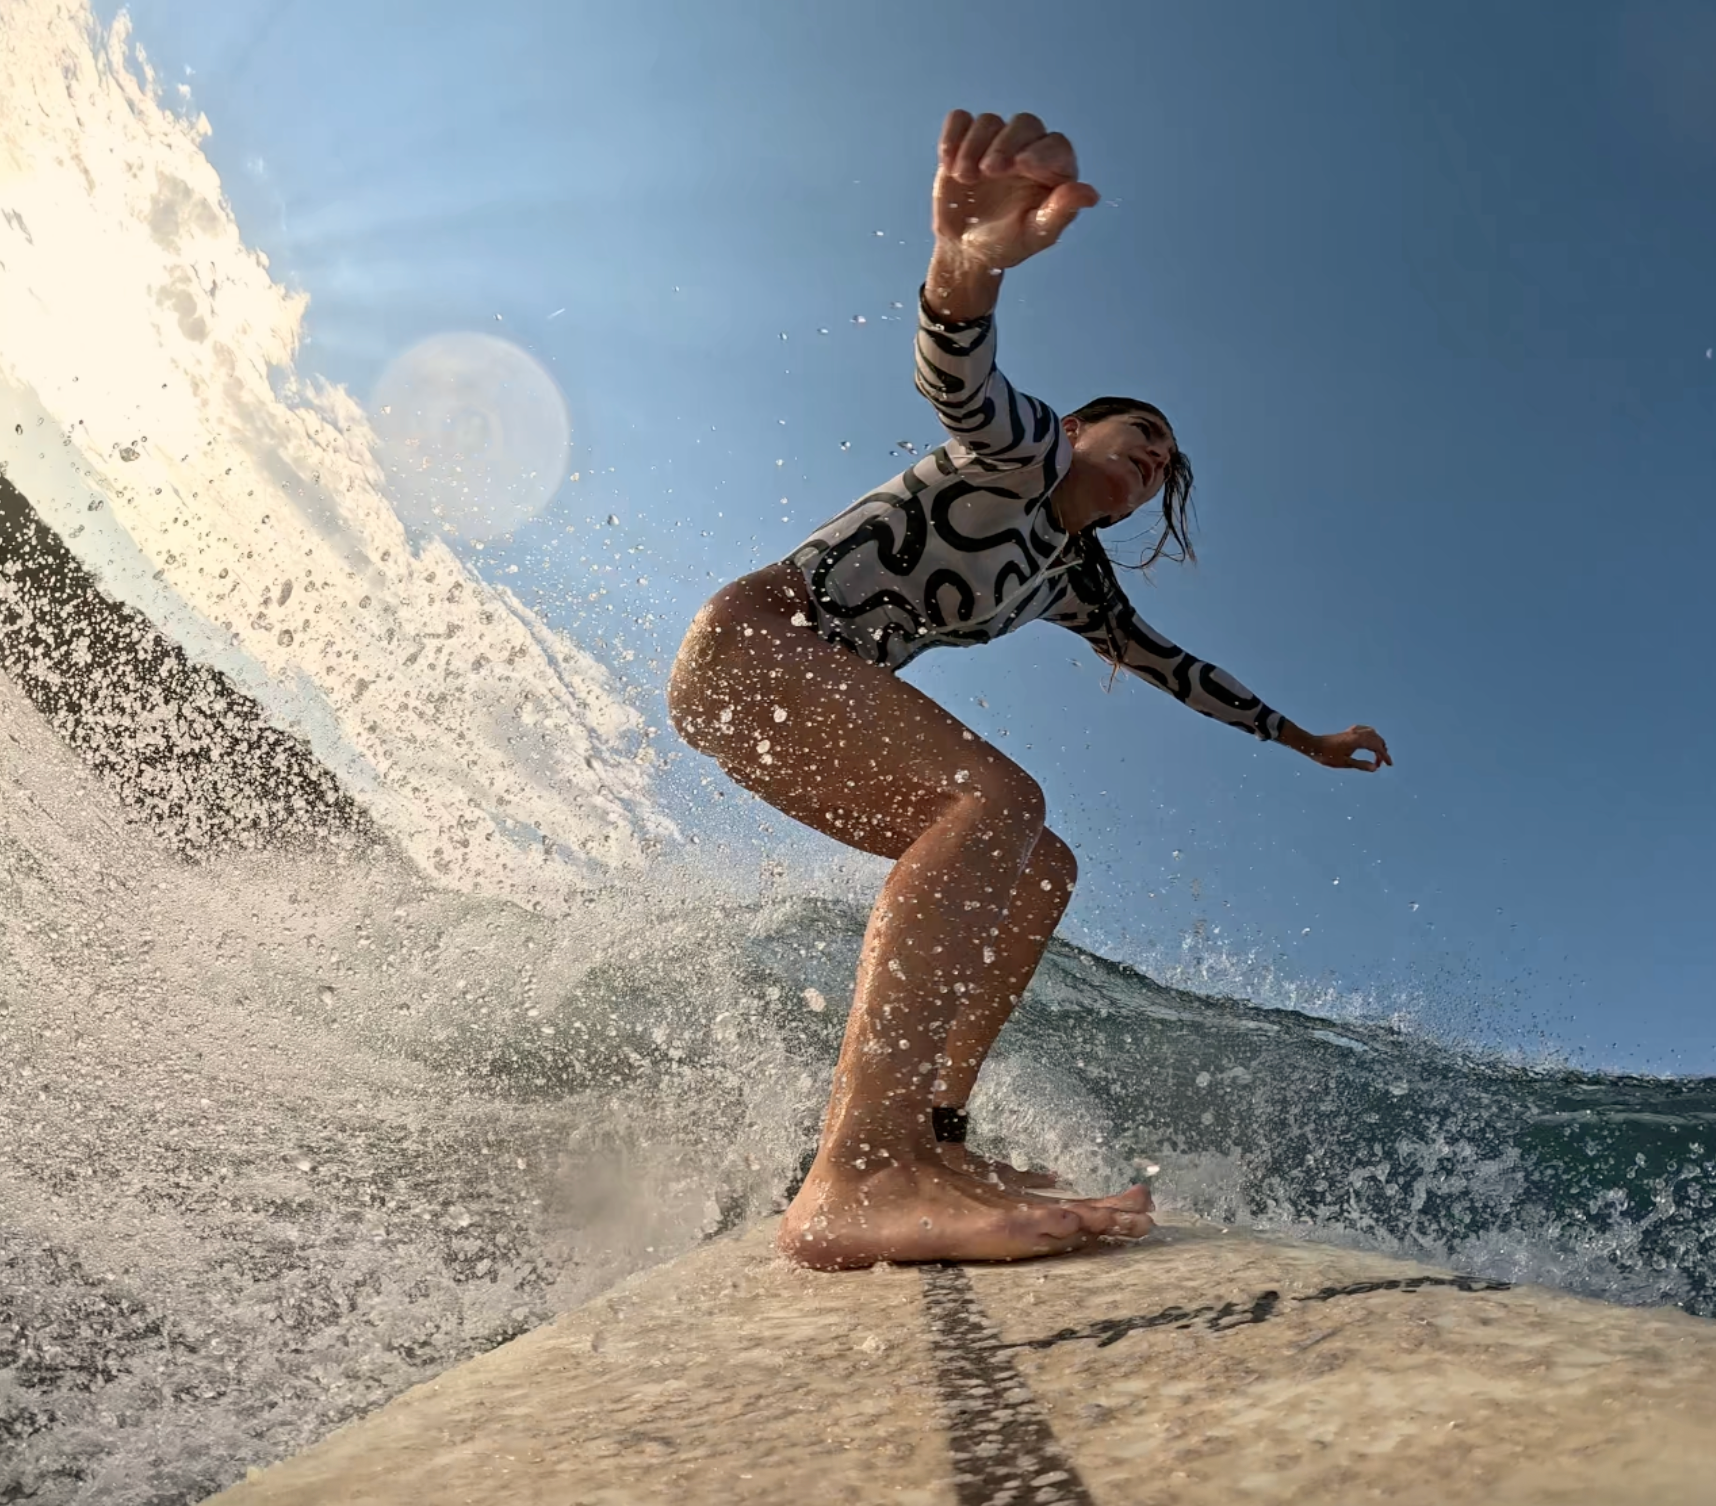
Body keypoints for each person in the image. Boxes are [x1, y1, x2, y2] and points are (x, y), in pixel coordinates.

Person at [667, 109, 1391, 1272]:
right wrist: (967, 264)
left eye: (1164, 463)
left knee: (1041, 862)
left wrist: (1303, 741)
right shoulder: (1024, 453)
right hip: (754, 652)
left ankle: (934, 1137)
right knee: (994, 798)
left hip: (796, 706)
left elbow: (1178, 671)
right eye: (1138, 433)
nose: (1152, 460)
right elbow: (959, 372)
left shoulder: (1071, 575)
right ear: (1082, 427)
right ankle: (854, 1173)